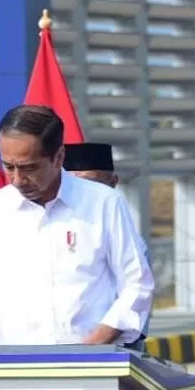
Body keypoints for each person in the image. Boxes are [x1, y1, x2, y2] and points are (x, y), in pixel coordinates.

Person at [0, 105, 154, 347]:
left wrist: (92, 347)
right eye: (9, 166)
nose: (18, 180)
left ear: (58, 158)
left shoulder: (104, 203)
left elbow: (137, 284)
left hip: (91, 366)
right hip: (14, 368)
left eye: (29, 168)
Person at [63, 141, 151, 350]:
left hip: (111, 348)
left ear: (113, 182)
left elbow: (137, 289)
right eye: (76, 184)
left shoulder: (124, 233)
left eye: (93, 183)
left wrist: (93, 346)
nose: (86, 192)